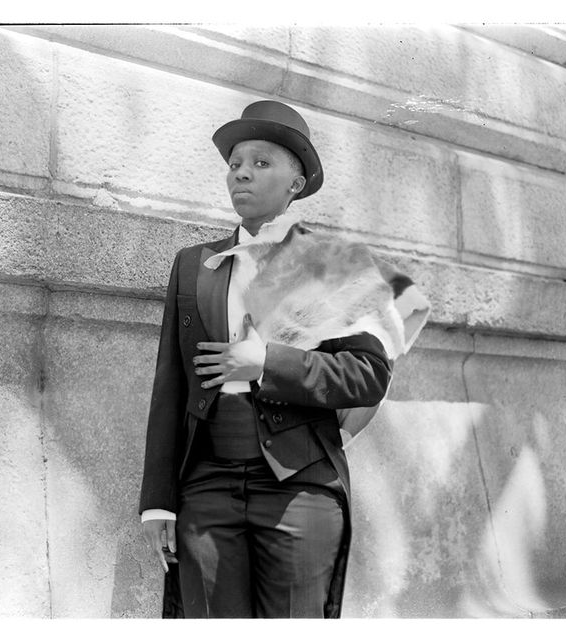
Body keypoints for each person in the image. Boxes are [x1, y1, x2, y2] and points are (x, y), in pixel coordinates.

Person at [139, 100, 393, 618]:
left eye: (261, 163)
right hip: (205, 480)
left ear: (295, 184)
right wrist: (158, 499)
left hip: (300, 481)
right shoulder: (194, 265)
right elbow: (170, 385)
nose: (242, 175)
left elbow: (368, 377)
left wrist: (265, 363)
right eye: (235, 165)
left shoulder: (331, 264)